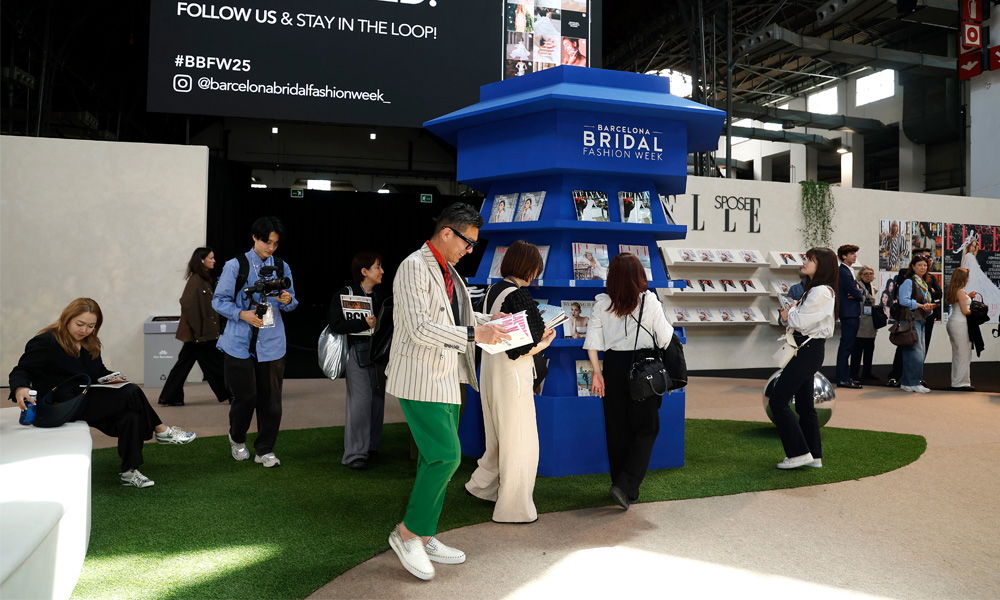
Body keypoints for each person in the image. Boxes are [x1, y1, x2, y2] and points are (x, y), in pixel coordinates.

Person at [384, 203, 510, 581]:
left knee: (432, 459)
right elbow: (420, 327)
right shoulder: (412, 267)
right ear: (446, 233)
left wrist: (493, 322)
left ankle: (423, 533)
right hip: (419, 377)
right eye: (468, 242)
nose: (470, 250)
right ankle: (406, 534)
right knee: (445, 457)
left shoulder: (449, 270)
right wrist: (475, 333)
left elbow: (457, 319)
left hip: (446, 377)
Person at [9, 298, 196, 488]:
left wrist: (112, 378)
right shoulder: (46, 341)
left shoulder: (90, 343)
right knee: (131, 392)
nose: (84, 330)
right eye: (80, 324)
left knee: (130, 415)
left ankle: (129, 472)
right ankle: (162, 430)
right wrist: (20, 388)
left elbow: (98, 373)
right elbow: (21, 370)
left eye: (91, 326)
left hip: (83, 401)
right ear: (67, 318)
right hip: (58, 406)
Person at [466, 241, 556, 524]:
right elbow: (520, 347)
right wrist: (545, 342)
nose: (536, 274)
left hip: (490, 370)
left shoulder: (494, 289)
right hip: (512, 373)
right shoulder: (519, 295)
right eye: (535, 268)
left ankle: (483, 486)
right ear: (527, 267)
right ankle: (513, 508)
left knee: (496, 436)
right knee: (520, 440)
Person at [584, 253, 674, 510]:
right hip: (644, 368)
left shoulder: (602, 303)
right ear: (639, 276)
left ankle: (621, 485)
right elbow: (665, 337)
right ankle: (626, 486)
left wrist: (597, 373)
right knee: (647, 428)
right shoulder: (650, 302)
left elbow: (593, 342)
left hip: (612, 367)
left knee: (617, 428)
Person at [212, 216, 298, 468]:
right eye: (266, 242)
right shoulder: (235, 265)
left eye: (275, 244)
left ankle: (265, 449)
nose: (270, 248)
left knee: (271, 401)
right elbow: (218, 301)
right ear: (254, 238)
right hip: (239, 342)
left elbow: (293, 301)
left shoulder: (282, 266)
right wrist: (242, 314)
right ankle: (237, 438)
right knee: (245, 398)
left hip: (272, 343)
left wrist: (286, 300)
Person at [771, 248, 838, 470]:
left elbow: (800, 322)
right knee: (804, 405)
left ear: (822, 266)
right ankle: (814, 454)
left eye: (810, 259)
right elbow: (801, 319)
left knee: (778, 401)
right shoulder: (815, 290)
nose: (805, 262)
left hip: (807, 352)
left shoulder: (820, 291)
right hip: (807, 350)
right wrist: (791, 313)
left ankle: (799, 453)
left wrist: (787, 314)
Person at [328, 252, 386, 470]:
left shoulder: (381, 297)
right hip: (357, 352)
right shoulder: (345, 294)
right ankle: (354, 455)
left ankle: (370, 446)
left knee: (377, 402)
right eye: (377, 267)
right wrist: (363, 323)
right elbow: (335, 325)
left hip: (379, 354)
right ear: (364, 272)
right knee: (360, 403)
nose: (381, 271)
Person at [158, 247, 229, 406]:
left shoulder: (202, 279)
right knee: (215, 364)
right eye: (211, 258)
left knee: (186, 365)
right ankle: (231, 393)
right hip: (199, 336)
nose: (214, 261)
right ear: (202, 260)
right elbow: (188, 305)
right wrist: (199, 333)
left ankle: (170, 397)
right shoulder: (196, 280)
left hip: (199, 335)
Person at [897, 255, 936, 394]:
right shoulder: (909, 281)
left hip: (921, 319)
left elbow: (924, 303)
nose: (923, 268)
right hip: (911, 319)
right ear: (913, 266)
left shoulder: (923, 283)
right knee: (915, 352)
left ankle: (909, 382)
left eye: (925, 265)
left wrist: (928, 308)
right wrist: (921, 305)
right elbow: (903, 300)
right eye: (919, 265)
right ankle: (912, 382)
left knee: (917, 351)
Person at [945, 268, 978, 391]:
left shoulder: (955, 290)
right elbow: (965, 311)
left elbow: (958, 303)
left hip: (954, 322)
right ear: (963, 278)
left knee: (958, 353)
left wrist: (968, 296)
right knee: (964, 354)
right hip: (961, 324)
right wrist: (978, 311)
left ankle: (957, 381)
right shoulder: (960, 291)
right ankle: (961, 383)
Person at [836, 244, 864, 389]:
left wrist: (856, 292)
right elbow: (856, 292)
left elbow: (855, 291)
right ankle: (842, 378)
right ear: (843, 256)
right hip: (848, 312)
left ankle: (845, 377)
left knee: (847, 346)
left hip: (851, 311)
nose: (855, 256)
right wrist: (858, 293)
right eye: (852, 253)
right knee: (846, 346)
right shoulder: (843, 271)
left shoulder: (849, 270)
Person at [959, 232, 1000, 322]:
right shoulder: (968, 256)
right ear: (968, 246)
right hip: (971, 279)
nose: (973, 248)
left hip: (974, 278)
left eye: (974, 246)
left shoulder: (970, 256)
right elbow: (968, 270)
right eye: (972, 246)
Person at [850, 265, 879, 383]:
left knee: (869, 350)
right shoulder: (857, 286)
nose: (868, 276)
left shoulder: (873, 287)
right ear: (860, 275)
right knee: (857, 351)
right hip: (860, 322)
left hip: (871, 323)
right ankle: (854, 374)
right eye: (865, 274)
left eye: (871, 273)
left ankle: (867, 373)